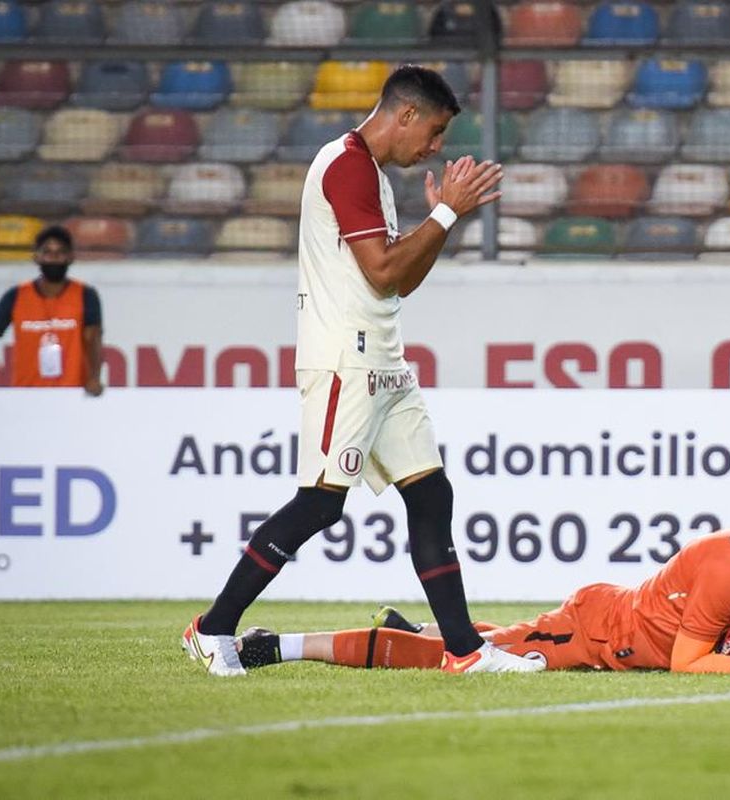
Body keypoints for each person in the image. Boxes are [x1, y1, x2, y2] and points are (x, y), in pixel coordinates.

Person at [183, 65, 540, 676]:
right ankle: (212, 627)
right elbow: (381, 270)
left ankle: (464, 650)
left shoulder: (367, 172)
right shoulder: (345, 165)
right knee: (320, 504)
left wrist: (439, 224)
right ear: (404, 115)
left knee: (431, 493)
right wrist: (445, 217)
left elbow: (398, 282)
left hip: (384, 360)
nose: (434, 147)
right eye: (432, 132)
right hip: (345, 361)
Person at [219, 509, 730, 675]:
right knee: (467, 664)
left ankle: (412, 626)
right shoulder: (729, 567)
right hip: (600, 634)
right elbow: (689, 662)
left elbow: (720, 639)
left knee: (485, 643)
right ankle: (277, 646)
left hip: (620, 632)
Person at [0, 225, 104, 395]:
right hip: (25, 394)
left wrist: (94, 377)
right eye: (48, 252)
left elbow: (93, 339)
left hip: (72, 393)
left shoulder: (85, 294)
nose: (54, 257)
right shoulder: (17, 295)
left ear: (71, 257)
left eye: (60, 252)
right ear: (36, 257)